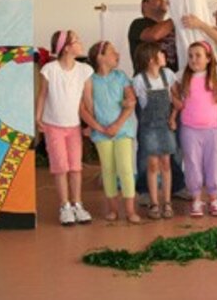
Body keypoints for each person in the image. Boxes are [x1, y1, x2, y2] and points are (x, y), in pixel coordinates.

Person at [127, 0, 187, 202]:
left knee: (174, 141)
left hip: (169, 85)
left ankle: (176, 186)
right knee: (147, 141)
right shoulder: (138, 24)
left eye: (165, 0)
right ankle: (145, 189)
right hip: (147, 91)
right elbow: (153, 36)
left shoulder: (173, 27)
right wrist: (176, 15)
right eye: (158, 0)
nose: (164, 2)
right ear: (145, 5)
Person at [35, 30, 93, 226]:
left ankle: (78, 204)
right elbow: (42, 94)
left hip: (74, 127)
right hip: (53, 127)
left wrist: (90, 123)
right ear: (66, 48)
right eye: (77, 41)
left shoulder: (84, 70)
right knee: (60, 167)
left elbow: (88, 99)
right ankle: (65, 206)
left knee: (76, 167)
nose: (81, 43)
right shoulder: (49, 70)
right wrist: (38, 117)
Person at [175, 41, 217, 217]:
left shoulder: (216, 75)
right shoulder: (182, 75)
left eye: (198, 55)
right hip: (190, 129)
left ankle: (213, 198)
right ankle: (196, 199)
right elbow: (171, 89)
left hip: (212, 129)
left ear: (208, 58)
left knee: (213, 163)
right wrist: (177, 102)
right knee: (192, 163)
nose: (193, 59)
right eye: (190, 56)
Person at [80, 41, 140, 223]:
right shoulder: (89, 80)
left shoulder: (121, 76)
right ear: (100, 57)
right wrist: (99, 128)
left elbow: (131, 101)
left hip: (123, 130)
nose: (117, 54)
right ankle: (113, 209)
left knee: (126, 169)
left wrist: (116, 125)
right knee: (108, 170)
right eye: (112, 52)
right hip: (101, 134)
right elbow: (83, 109)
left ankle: (130, 210)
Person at [133, 42, 179, 220]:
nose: (164, 55)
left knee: (166, 163)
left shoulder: (168, 75)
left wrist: (173, 118)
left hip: (166, 125)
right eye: (160, 53)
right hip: (149, 128)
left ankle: (167, 202)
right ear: (151, 59)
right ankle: (154, 202)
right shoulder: (139, 80)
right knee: (152, 164)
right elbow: (133, 103)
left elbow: (176, 100)